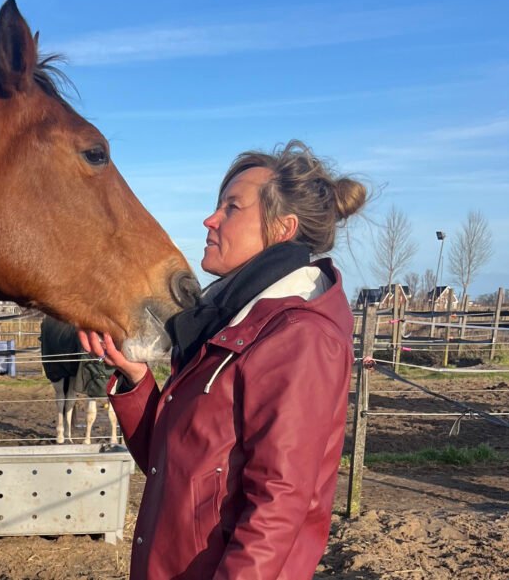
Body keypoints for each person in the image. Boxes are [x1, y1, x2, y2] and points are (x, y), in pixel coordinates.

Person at [80, 140, 367, 579]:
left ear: (282, 228)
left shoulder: (299, 337)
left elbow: (277, 507)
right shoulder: (229, 324)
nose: (209, 220)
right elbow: (177, 467)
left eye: (232, 208)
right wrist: (136, 379)